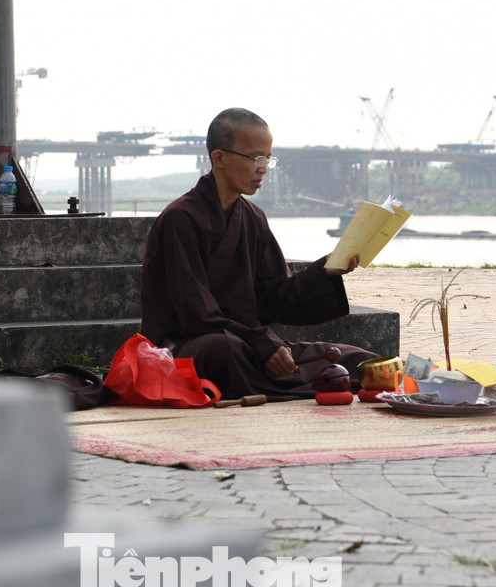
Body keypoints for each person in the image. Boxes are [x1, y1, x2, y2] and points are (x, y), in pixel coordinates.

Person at [139, 107, 377, 400]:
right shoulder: (182, 218)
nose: (263, 167)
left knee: (355, 359)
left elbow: (275, 296)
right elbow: (196, 314)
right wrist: (261, 342)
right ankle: (298, 382)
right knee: (224, 349)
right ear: (219, 158)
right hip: (186, 346)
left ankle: (292, 381)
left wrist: (325, 270)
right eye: (255, 158)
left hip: (249, 342)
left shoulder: (253, 217)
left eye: (268, 158)